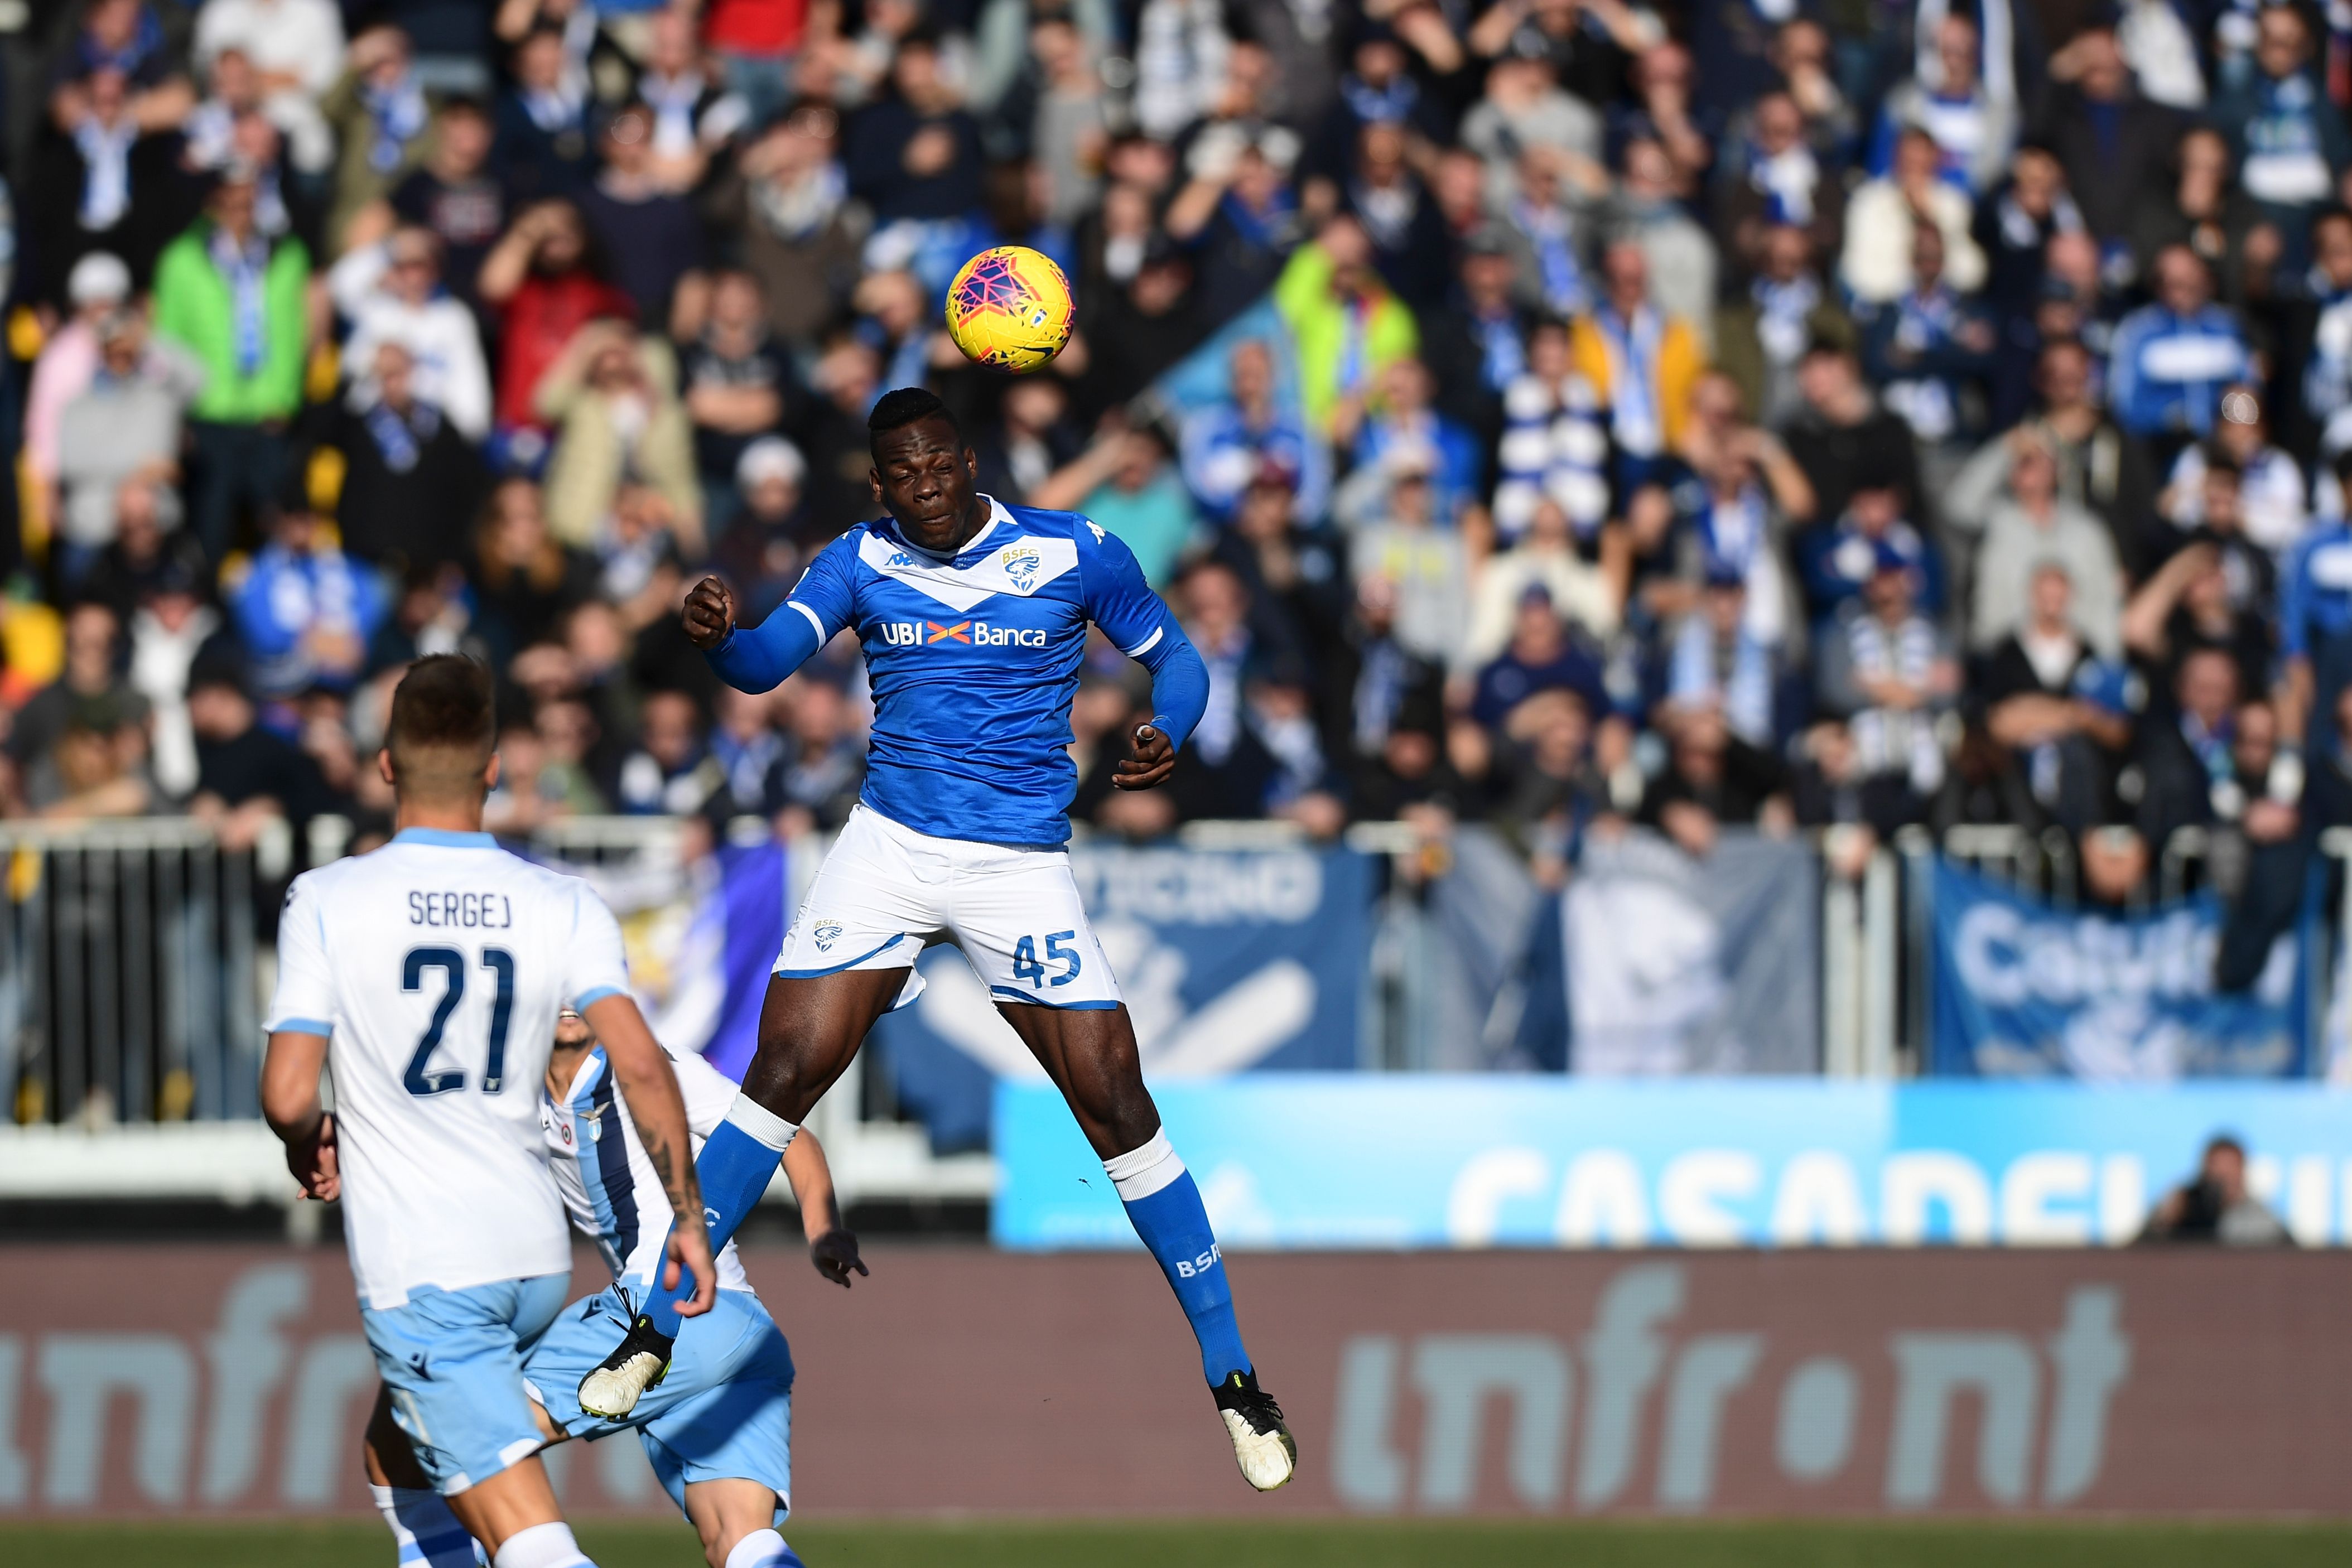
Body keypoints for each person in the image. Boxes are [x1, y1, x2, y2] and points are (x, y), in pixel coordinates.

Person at [571, 387, 1298, 1494]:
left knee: (1115, 1098)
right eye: (903, 475)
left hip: (1016, 867)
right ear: (880, 486)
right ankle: (655, 1327)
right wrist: (722, 642)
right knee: (780, 1071)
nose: (926, 487)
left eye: (940, 465)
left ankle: (1234, 1377)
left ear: (969, 461)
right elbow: (766, 663)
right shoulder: (859, 558)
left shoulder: (1073, 550)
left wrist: (1170, 726)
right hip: (890, 850)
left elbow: (1180, 660)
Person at [258, 654, 719, 1568]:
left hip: (428, 1262)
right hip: (533, 1257)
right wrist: (691, 1218)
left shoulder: (328, 897)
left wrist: (308, 1137)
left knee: (531, 1539)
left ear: (385, 765)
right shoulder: (562, 901)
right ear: (495, 768)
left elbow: (287, 1094)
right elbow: (640, 1063)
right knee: (397, 1456)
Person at [368, 1007, 849, 1568]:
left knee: (438, 1430)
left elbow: (786, 1133)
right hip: (734, 1333)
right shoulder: (509, 1090)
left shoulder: (647, 1068)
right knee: (738, 1537)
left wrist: (823, 1228)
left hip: (659, 1315)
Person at [2140, 1134, 2292, 1244]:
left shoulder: (2262, 1217)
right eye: (2216, 1168)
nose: (2223, 1177)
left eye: (2230, 1168)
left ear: (2242, 1171)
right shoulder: (2182, 1206)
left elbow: (2290, 1256)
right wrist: (2165, 1223)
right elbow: (2138, 1251)